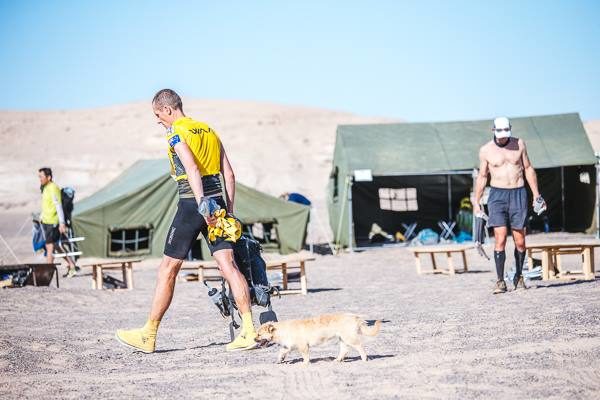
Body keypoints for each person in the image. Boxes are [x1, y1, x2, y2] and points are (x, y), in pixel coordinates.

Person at [116, 89, 257, 353]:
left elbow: (191, 169)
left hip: (194, 204)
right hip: (219, 204)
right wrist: (229, 210)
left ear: (168, 110)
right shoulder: (208, 130)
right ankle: (249, 331)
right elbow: (229, 173)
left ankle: (149, 334)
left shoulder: (176, 133)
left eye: (158, 115)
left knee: (167, 268)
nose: (159, 121)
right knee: (229, 265)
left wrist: (202, 205)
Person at [473, 117, 545, 294]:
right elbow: (482, 176)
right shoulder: (486, 150)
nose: (503, 137)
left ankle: (519, 275)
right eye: (500, 133)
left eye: (506, 132)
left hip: (518, 193)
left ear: (510, 129)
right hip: (497, 195)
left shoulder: (519, 144)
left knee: (520, 241)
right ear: (493, 130)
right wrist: (477, 202)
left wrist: (536, 195)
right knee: (500, 238)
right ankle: (500, 281)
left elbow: (528, 168)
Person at [38, 167, 77, 277]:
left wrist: (62, 223)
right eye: (39, 177)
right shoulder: (44, 188)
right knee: (56, 247)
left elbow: (58, 206)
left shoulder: (53, 188)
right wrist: (41, 216)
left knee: (49, 247)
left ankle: (47, 274)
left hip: (53, 222)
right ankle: (72, 265)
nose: (40, 179)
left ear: (49, 177)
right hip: (46, 221)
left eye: (41, 176)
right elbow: (46, 205)